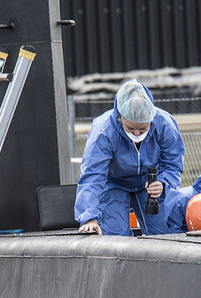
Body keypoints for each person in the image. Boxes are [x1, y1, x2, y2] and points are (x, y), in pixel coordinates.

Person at [75, 80, 185, 236]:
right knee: (115, 236)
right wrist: (89, 216)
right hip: (113, 182)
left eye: (142, 128)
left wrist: (164, 183)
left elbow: (173, 164)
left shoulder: (165, 124)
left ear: (151, 119)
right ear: (121, 116)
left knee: (165, 233)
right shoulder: (103, 132)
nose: (137, 133)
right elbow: (93, 174)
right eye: (131, 128)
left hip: (151, 182)